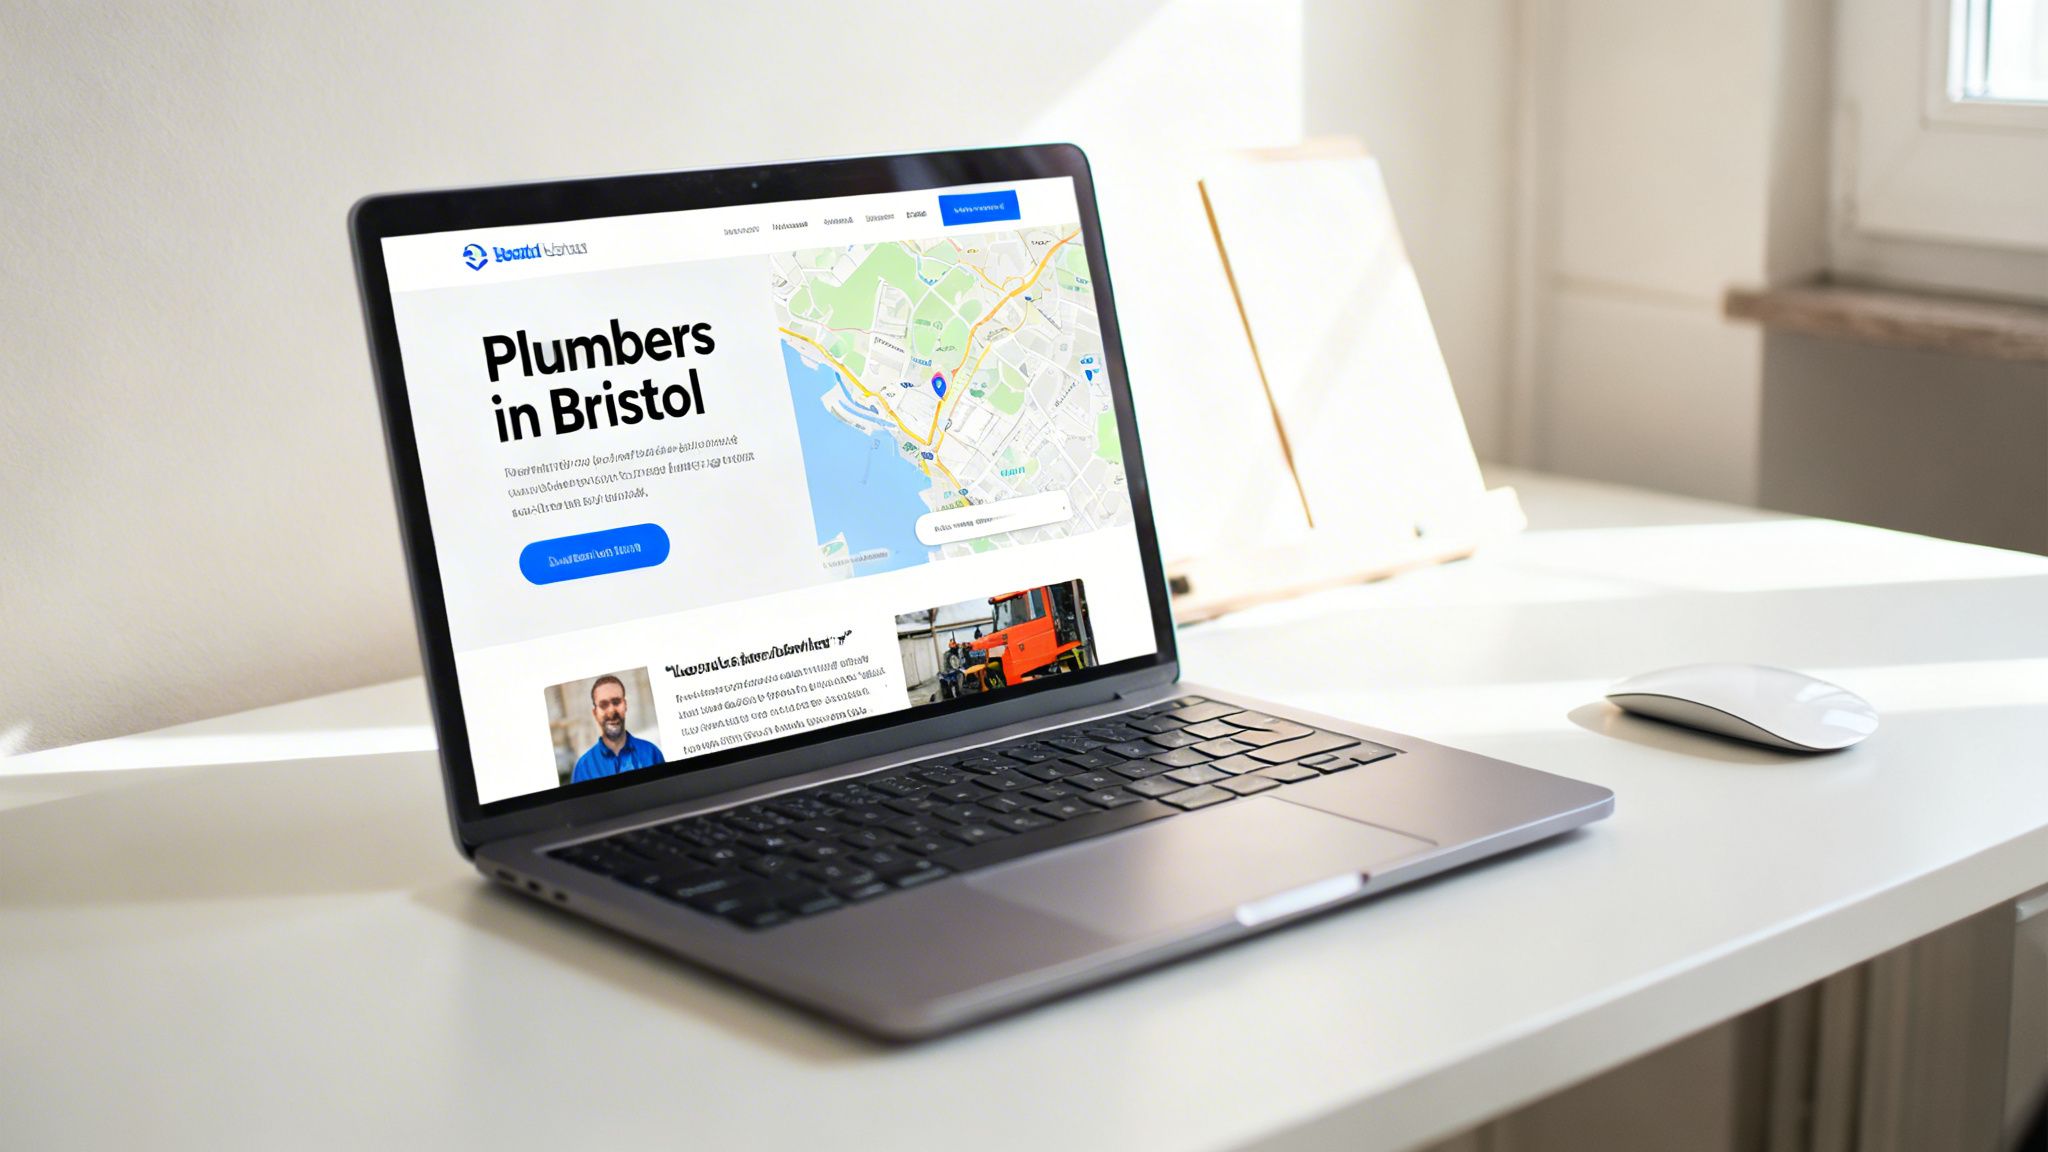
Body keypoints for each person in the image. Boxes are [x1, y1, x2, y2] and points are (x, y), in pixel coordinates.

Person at [569, 674, 664, 783]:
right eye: (603, 705)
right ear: (595, 713)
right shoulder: (583, 768)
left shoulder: (652, 753)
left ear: (625, 705)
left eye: (616, 702)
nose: (611, 711)